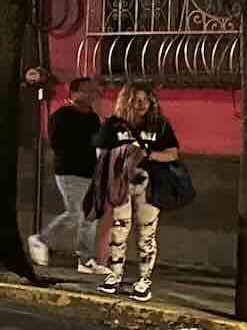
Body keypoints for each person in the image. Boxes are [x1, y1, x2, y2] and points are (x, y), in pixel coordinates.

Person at [92, 81, 177, 299]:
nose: (141, 104)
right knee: (118, 230)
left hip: (149, 184)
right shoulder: (113, 124)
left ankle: (144, 280)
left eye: (145, 100)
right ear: (126, 101)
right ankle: (114, 276)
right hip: (121, 183)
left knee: (146, 233)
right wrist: (121, 155)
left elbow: (173, 153)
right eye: (136, 100)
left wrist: (148, 155)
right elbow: (100, 153)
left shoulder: (159, 125)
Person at [29, 76, 104, 274]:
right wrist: (83, 146)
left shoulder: (93, 118)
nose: (91, 95)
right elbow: (57, 143)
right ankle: (41, 239)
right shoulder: (61, 116)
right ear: (74, 93)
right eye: (86, 91)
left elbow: (98, 142)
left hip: (90, 172)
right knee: (75, 213)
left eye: (93, 91)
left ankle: (86, 260)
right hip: (69, 171)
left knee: (89, 215)